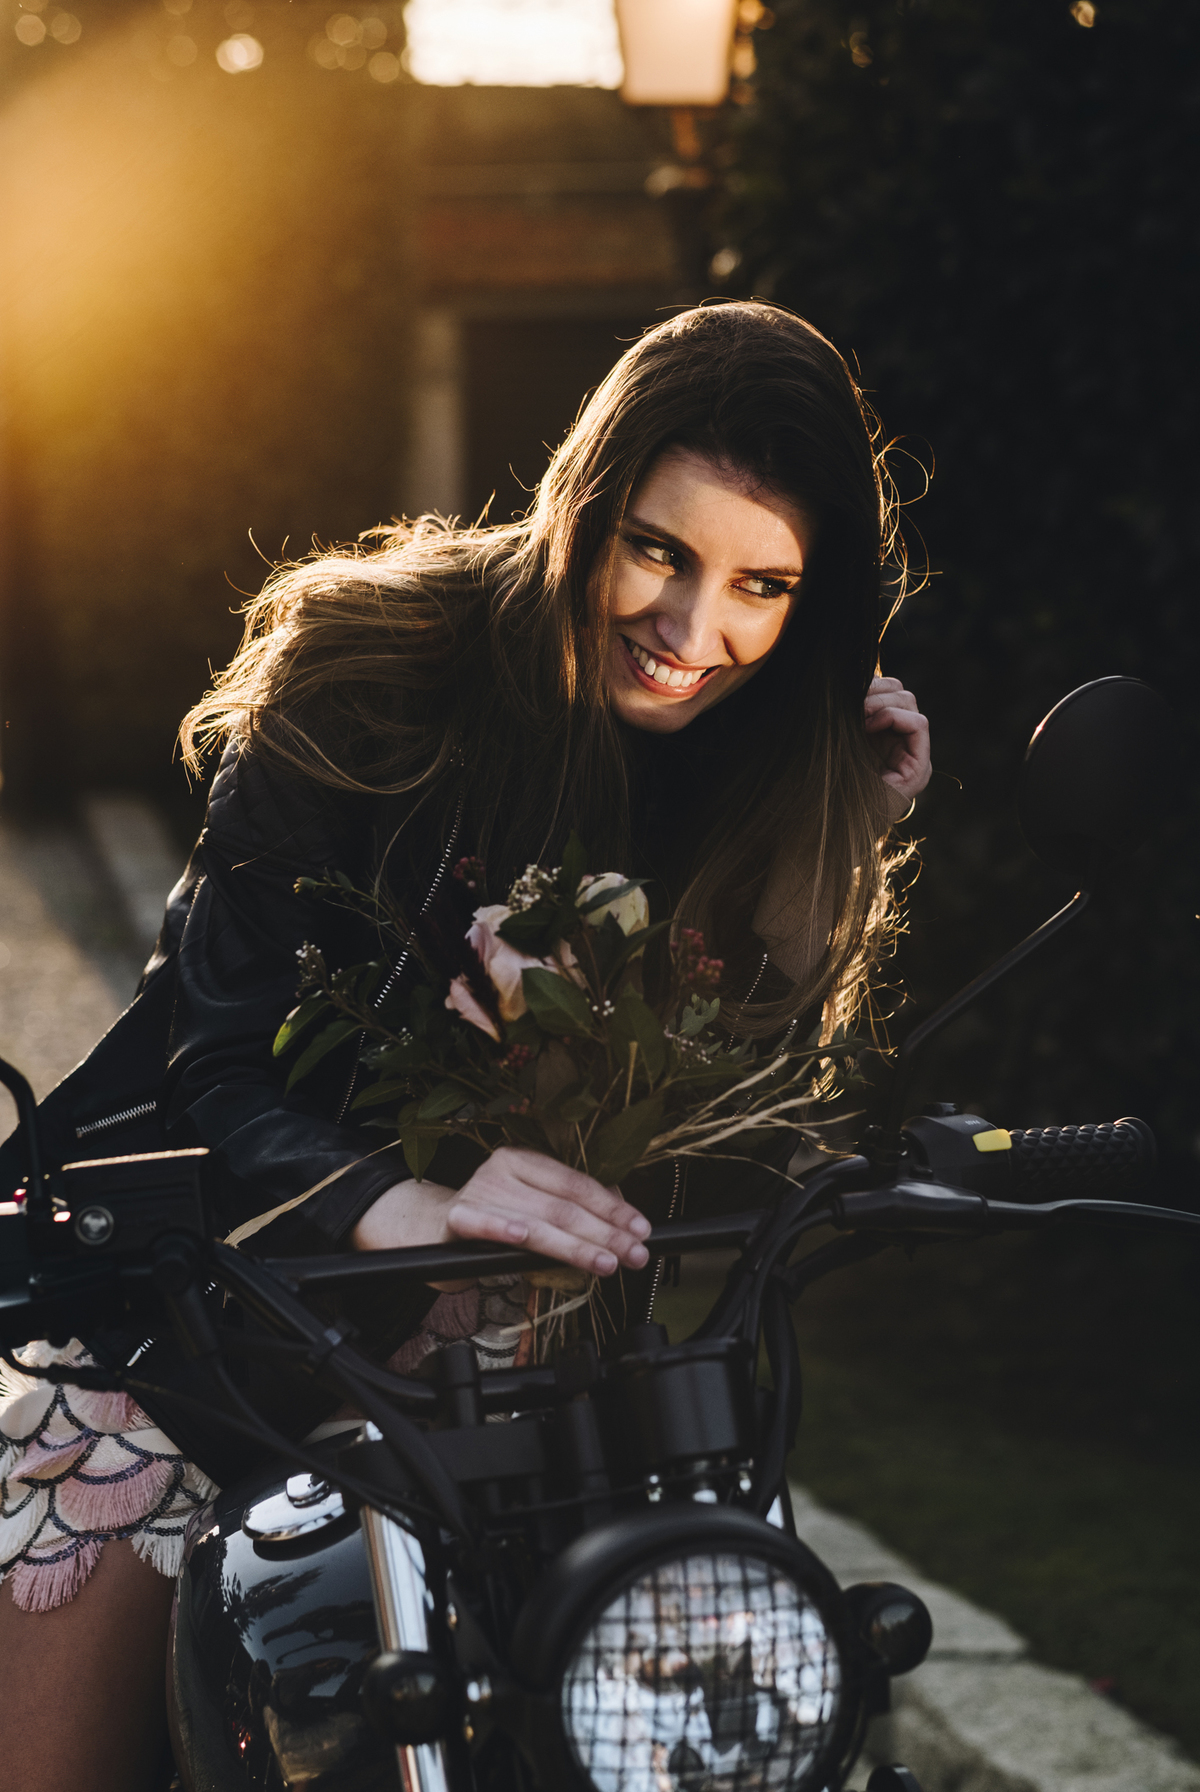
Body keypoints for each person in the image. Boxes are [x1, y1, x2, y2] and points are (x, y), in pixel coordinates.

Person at [0, 300, 931, 1791]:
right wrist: (400, 1202)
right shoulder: (372, 665)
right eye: (658, 551)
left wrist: (831, 860)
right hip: (200, 1337)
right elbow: (211, 1053)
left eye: (763, 586)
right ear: (588, 498)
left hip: (548, 1400)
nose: (695, 637)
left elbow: (725, 1134)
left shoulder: (762, 751)